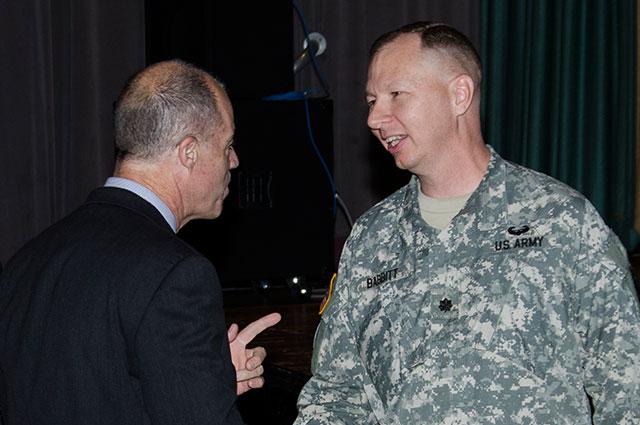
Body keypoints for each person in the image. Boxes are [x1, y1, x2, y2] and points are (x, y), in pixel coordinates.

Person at [296, 22, 640, 424]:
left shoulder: (560, 220)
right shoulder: (373, 238)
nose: (375, 117)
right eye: (371, 100)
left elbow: (627, 386)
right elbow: (335, 396)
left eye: (395, 95)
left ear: (459, 94)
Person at [0, 60, 281, 425]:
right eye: (227, 144)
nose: (235, 160)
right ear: (189, 152)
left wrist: (207, 378)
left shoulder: (27, 260)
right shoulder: (176, 275)